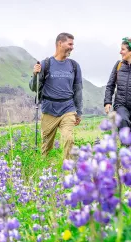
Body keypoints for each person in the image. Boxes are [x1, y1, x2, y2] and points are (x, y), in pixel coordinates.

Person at [29, 32, 83, 160]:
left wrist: (79, 112)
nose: (72, 47)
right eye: (70, 44)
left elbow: (78, 90)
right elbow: (33, 87)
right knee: (46, 147)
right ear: (60, 43)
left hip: (67, 109)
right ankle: (45, 172)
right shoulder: (45, 64)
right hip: (49, 110)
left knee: (69, 139)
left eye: (73, 44)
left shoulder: (74, 66)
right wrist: (35, 74)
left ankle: (68, 171)